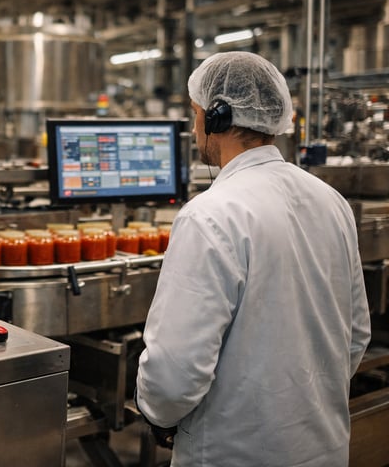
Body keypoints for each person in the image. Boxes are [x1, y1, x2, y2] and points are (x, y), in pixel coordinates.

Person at [135, 51, 372, 466]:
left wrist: (157, 413)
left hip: (234, 452)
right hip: (323, 447)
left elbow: (175, 372)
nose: (194, 129)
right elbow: (354, 335)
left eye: (196, 115)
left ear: (217, 117)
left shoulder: (209, 215)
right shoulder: (331, 201)